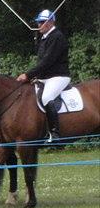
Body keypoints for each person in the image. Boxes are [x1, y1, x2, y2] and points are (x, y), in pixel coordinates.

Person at [16, 9, 70, 142]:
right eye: (38, 22)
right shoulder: (44, 38)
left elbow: (48, 61)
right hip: (46, 77)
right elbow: (41, 62)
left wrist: (28, 75)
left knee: (47, 97)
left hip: (58, 76)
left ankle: (55, 133)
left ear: (51, 22)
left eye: (41, 22)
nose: (39, 25)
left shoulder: (57, 36)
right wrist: (35, 77)